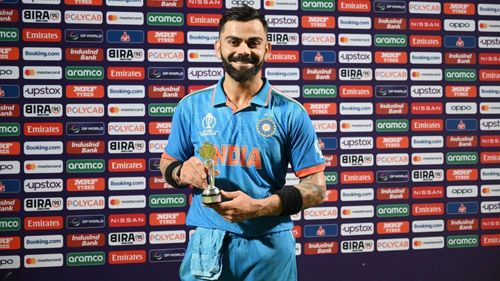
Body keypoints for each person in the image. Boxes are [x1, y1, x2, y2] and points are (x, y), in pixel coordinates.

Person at [160, 5, 326, 281]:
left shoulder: (291, 113)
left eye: (254, 42)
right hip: (207, 245)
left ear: (267, 49)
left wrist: (260, 207)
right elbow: (167, 162)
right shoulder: (190, 107)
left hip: (269, 245)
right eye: (234, 41)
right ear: (218, 47)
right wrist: (180, 171)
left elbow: (317, 188)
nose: (243, 50)